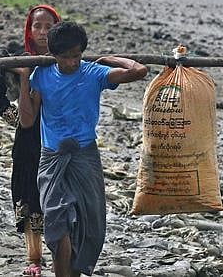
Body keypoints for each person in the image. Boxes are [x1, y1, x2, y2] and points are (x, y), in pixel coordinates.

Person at [25, 21, 147, 277]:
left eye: (77, 56)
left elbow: (139, 70)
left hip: (85, 156)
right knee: (58, 228)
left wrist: (110, 59)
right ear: (53, 55)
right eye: (66, 57)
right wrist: (25, 76)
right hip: (51, 158)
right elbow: (27, 120)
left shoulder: (94, 73)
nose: (72, 62)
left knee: (85, 222)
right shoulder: (42, 76)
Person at [0, 5, 61, 277]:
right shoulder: (19, 61)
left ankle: (62, 254)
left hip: (60, 135)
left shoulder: (66, 59)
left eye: (49, 27)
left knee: (59, 192)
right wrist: (14, 118)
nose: (42, 32)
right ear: (29, 30)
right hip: (29, 138)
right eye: (37, 26)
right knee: (30, 192)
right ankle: (34, 258)